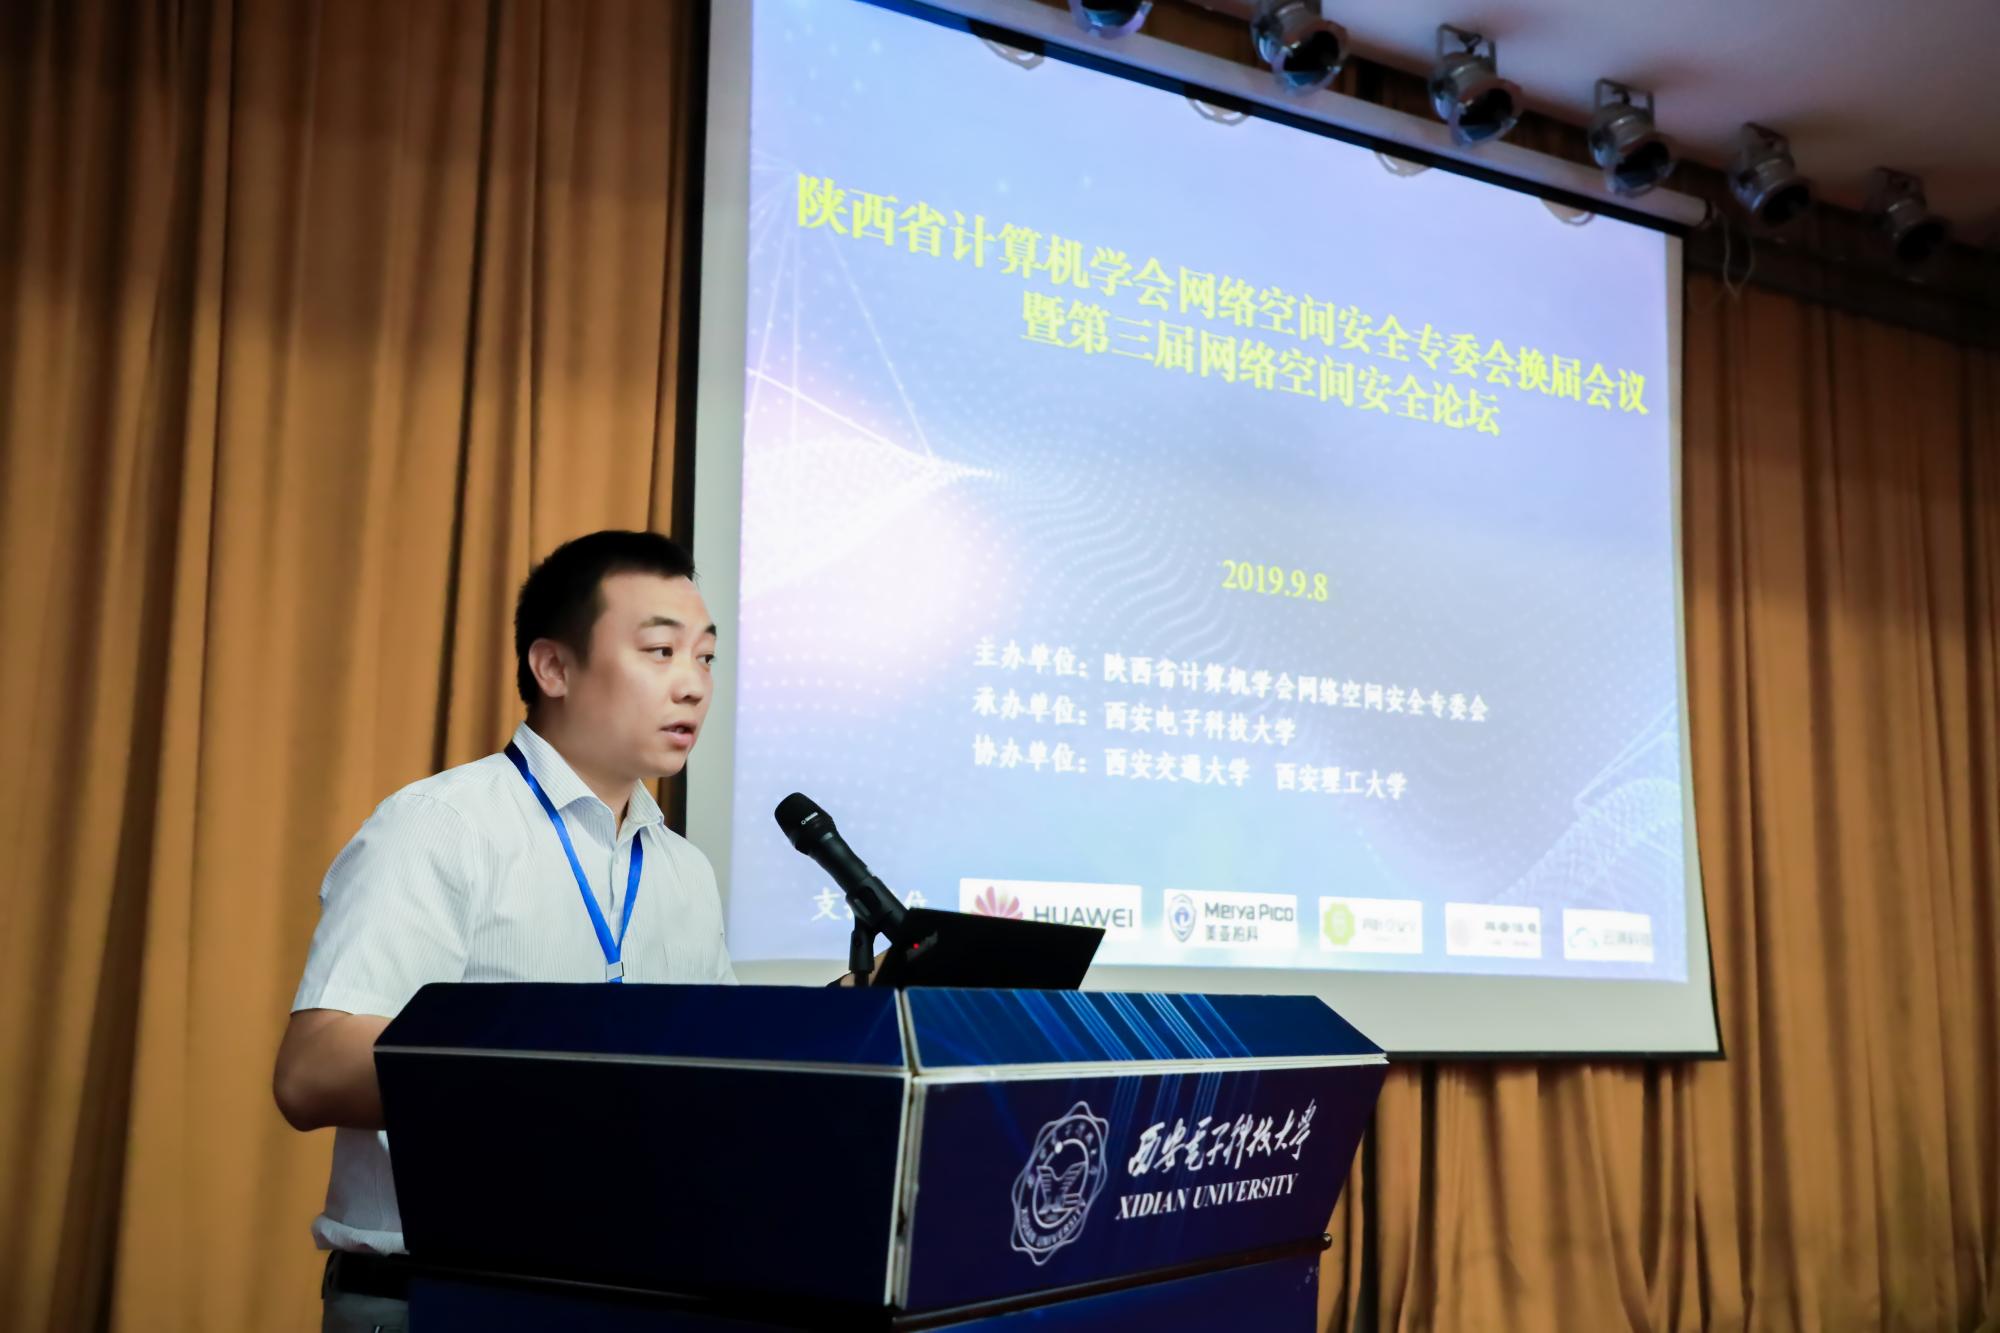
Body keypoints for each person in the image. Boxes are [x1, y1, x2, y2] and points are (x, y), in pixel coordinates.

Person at [273, 530, 734, 1332]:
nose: (693, 685)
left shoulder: (683, 870)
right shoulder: (441, 825)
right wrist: (576, 1063)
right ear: (552, 667)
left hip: (627, 1296)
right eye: (660, 651)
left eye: (706, 657)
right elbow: (313, 1072)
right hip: (436, 1298)